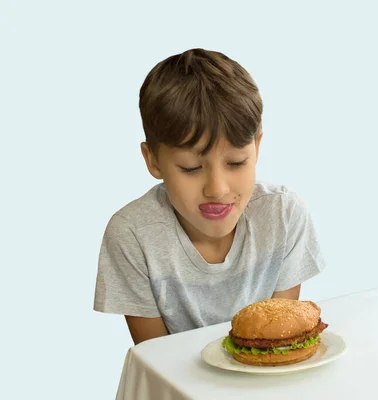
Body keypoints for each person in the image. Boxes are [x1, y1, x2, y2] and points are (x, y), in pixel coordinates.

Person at [93, 48, 326, 345]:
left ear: (257, 148)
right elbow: (156, 359)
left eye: (237, 162)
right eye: (191, 168)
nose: (217, 189)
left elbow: (276, 341)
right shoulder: (133, 236)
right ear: (153, 161)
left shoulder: (283, 214)